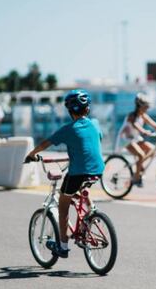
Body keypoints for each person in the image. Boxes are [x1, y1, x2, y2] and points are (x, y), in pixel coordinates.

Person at [25, 89, 104, 258]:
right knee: (84, 186)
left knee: (63, 204)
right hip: (98, 170)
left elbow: (46, 143)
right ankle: (92, 212)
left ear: (69, 111)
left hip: (77, 173)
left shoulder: (68, 129)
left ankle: (63, 246)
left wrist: (31, 154)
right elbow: (96, 141)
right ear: (87, 109)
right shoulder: (95, 124)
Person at [115, 93, 156, 186]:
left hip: (135, 138)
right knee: (141, 154)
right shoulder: (131, 116)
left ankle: (139, 165)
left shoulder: (143, 115)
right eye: (145, 107)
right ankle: (136, 177)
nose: (147, 109)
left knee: (151, 148)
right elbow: (136, 125)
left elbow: (154, 124)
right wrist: (144, 131)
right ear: (140, 107)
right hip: (125, 139)